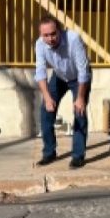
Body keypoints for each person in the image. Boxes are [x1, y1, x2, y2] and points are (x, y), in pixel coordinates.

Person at [34, 14, 92, 169]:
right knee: (46, 112)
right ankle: (49, 153)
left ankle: (78, 156)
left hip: (79, 79)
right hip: (59, 77)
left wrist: (80, 98)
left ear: (59, 30)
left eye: (53, 34)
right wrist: (47, 98)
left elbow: (83, 71)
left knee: (79, 113)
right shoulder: (39, 44)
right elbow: (40, 72)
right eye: (46, 35)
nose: (50, 39)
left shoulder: (73, 39)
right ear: (41, 35)